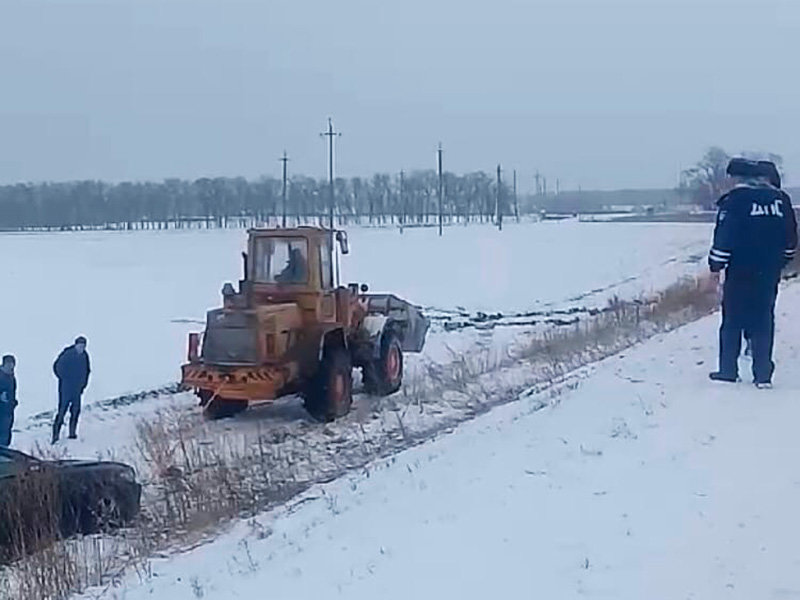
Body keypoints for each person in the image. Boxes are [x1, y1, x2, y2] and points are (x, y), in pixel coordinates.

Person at [708, 158, 798, 387]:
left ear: (736, 178)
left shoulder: (735, 201)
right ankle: (763, 375)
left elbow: (725, 236)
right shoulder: (781, 199)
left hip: (741, 269)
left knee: (733, 319)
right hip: (769, 270)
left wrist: (716, 267)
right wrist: (782, 261)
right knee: (764, 318)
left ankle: (728, 370)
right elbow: (791, 237)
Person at [52, 336, 91, 443]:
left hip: (77, 389)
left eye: (83, 346)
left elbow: (87, 371)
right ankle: (55, 435)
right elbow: (57, 367)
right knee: (62, 411)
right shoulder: (67, 354)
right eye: (80, 345)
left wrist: (83, 385)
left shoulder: (84, 356)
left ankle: (72, 433)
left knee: (75, 411)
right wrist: (64, 378)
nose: (81, 348)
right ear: (75, 345)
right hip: (66, 388)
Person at [0, 355, 17, 447]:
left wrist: (13, 402)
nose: (11, 366)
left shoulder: (11, 377)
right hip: (1, 408)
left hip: (9, 409)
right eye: (8, 363)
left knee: (7, 430)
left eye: (12, 363)